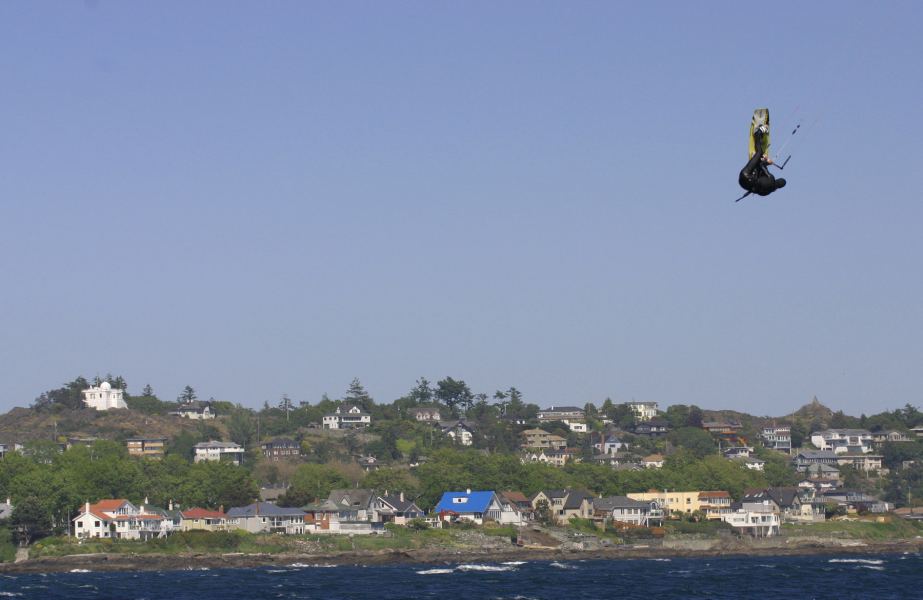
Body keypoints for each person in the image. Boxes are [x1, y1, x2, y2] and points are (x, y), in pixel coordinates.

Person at [738, 125, 786, 196]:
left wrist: (767, 161)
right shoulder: (766, 192)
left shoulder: (771, 179)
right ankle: (756, 160)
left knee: (759, 153)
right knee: (758, 176)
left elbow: (761, 165)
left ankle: (758, 133)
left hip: (746, 174)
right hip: (743, 184)